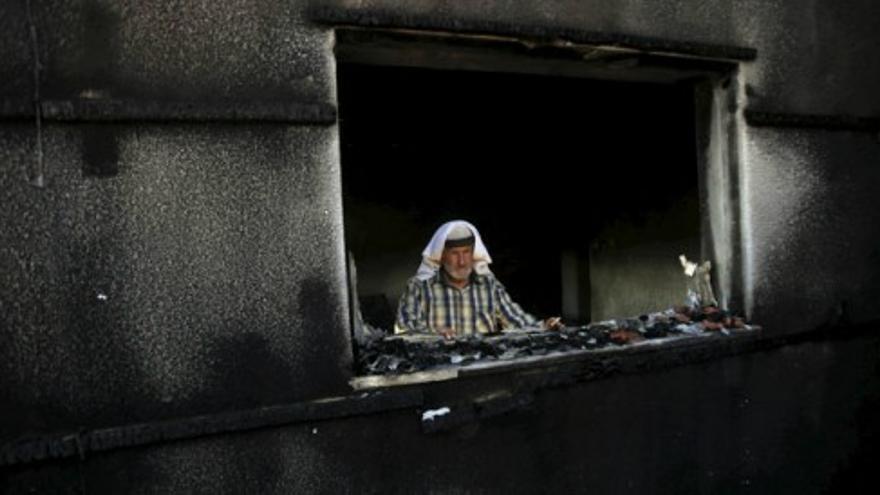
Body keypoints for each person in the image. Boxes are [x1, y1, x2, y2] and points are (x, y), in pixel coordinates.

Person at [395, 220, 563, 338]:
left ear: (473, 253)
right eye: (454, 253)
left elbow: (515, 320)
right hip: (439, 372)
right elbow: (404, 329)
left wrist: (544, 327)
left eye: (466, 252)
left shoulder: (489, 286)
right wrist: (433, 334)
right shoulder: (419, 288)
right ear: (442, 255)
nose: (461, 261)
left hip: (482, 368)